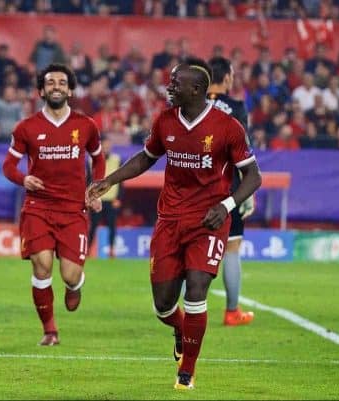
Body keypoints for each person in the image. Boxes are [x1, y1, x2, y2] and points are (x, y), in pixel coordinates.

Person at [86, 57, 262, 390]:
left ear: (197, 89)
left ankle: (187, 371)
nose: (169, 87)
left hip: (208, 222)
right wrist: (109, 180)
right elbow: (145, 158)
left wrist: (226, 206)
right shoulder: (165, 121)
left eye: (175, 83)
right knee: (164, 304)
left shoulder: (227, 127)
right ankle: (180, 329)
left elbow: (253, 175)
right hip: (169, 220)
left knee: (196, 292)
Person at [2, 63, 106, 346]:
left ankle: (76, 286)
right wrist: (24, 180)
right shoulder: (27, 127)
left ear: (70, 90)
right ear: (41, 90)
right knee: (42, 265)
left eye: (62, 82)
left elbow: (98, 158)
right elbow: (9, 166)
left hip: (73, 209)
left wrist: (95, 189)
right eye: (50, 83)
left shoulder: (86, 126)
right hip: (38, 207)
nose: (56, 86)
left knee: (70, 274)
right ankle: (50, 330)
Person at [208, 56, 256, 326]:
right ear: (227, 78)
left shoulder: (194, 104)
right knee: (232, 248)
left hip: (192, 187)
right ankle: (231, 311)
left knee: (185, 248)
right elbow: (243, 152)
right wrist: (249, 191)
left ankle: (173, 310)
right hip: (229, 190)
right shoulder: (236, 107)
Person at [88, 137, 122, 258]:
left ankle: (112, 251)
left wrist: (119, 198)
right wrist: (90, 197)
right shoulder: (91, 160)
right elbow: (88, 179)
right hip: (97, 199)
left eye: (109, 145)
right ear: (101, 146)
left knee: (112, 227)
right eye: (105, 145)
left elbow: (121, 181)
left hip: (111, 200)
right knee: (93, 226)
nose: (107, 147)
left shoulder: (117, 159)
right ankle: (88, 251)